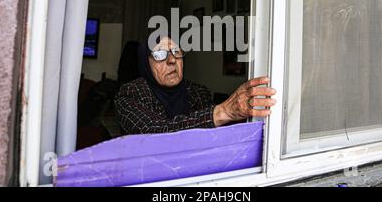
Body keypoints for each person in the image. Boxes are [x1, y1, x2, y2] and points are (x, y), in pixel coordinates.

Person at [114, 36, 276, 135]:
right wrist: (222, 112)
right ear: (145, 64)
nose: (172, 60)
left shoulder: (198, 91)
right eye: (159, 54)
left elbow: (215, 134)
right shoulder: (130, 93)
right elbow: (154, 133)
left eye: (176, 52)